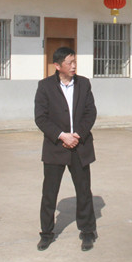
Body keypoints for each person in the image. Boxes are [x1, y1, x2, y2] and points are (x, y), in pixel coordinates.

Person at [34, 47, 98, 251]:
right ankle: (46, 233)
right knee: (49, 193)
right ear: (57, 65)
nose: (74, 66)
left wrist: (77, 134)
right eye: (69, 63)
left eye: (74, 62)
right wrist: (62, 135)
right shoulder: (45, 86)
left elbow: (90, 112)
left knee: (84, 191)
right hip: (56, 147)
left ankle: (87, 231)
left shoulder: (84, 84)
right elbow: (41, 118)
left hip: (80, 146)